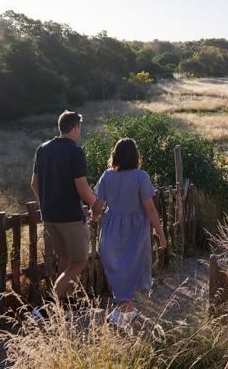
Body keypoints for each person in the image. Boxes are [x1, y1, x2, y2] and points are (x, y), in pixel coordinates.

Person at [91, 138, 167, 327]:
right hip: (134, 230)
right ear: (135, 156)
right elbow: (150, 208)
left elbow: (97, 207)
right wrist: (160, 232)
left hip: (111, 229)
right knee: (131, 269)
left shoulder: (107, 176)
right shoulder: (141, 177)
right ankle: (118, 316)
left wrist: (98, 219)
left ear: (115, 155)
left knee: (119, 270)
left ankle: (126, 313)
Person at [31, 110, 99, 317]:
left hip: (49, 215)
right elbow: (82, 187)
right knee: (80, 261)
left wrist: (49, 203)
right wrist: (96, 204)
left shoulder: (42, 149)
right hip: (70, 216)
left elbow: (34, 184)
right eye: (80, 127)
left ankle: (66, 304)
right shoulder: (75, 151)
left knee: (65, 258)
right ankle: (49, 305)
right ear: (75, 127)